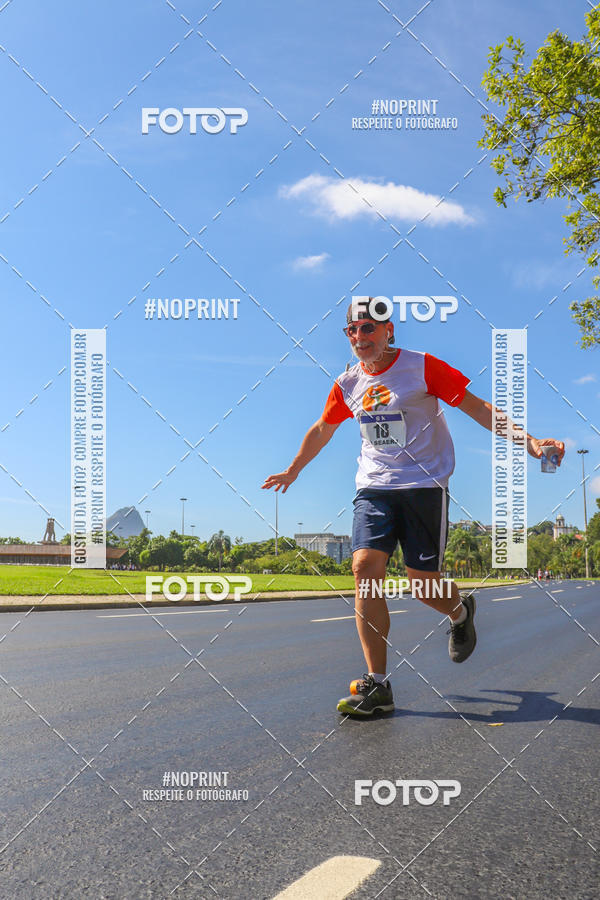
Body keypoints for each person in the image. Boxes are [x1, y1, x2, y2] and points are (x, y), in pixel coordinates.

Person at [262, 299, 565, 716]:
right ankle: (378, 685)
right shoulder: (348, 383)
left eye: (368, 328)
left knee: (423, 586)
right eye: (351, 331)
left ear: (389, 332)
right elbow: (322, 428)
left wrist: (529, 442)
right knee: (364, 568)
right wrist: (293, 469)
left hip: (425, 485)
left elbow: (478, 408)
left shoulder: (422, 367)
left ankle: (460, 612)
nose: (359, 338)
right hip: (374, 487)